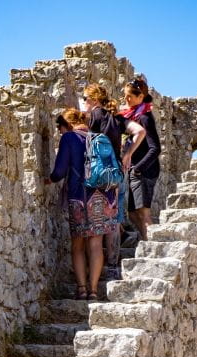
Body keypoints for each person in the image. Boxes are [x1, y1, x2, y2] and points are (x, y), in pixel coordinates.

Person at [46, 108, 119, 300]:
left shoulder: (69, 138)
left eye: (60, 128)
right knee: (96, 244)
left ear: (67, 125)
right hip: (104, 196)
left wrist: (50, 179)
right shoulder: (99, 137)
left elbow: (59, 171)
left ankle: (81, 289)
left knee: (77, 245)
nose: (60, 133)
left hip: (80, 196)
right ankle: (94, 290)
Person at [82, 84, 146, 279]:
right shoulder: (117, 117)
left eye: (85, 98)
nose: (83, 102)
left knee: (98, 221)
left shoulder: (94, 116)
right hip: (117, 175)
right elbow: (140, 131)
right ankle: (112, 267)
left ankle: (92, 269)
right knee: (114, 221)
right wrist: (127, 155)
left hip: (96, 177)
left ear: (93, 100)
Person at [117, 77, 161, 242]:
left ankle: (153, 248)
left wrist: (138, 168)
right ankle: (146, 241)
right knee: (133, 213)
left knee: (143, 212)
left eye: (130, 96)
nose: (126, 100)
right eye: (125, 96)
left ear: (140, 97)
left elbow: (155, 148)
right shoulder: (135, 115)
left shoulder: (144, 118)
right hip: (137, 170)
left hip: (144, 170)